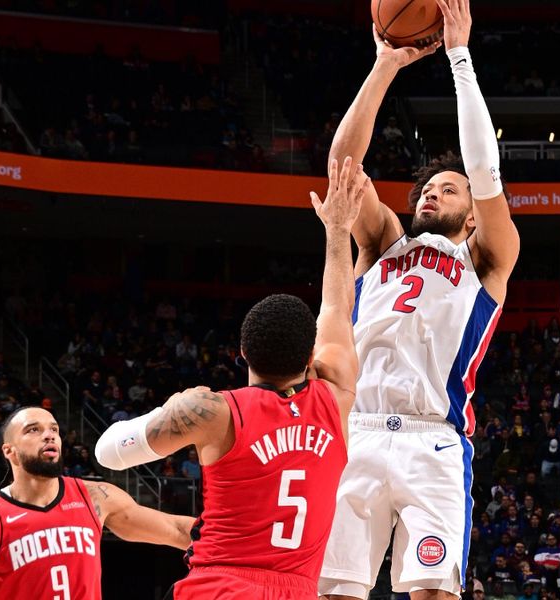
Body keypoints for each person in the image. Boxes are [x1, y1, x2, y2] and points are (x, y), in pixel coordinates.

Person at [318, 2, 520, 600]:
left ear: (470, 211)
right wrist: (384, 66)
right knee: (333, 592)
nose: (433, 193)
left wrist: (459, 58)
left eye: (447, 188)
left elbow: (485, 172)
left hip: (434, 439)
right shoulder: (383, 241)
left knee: (433, 594)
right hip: (355, 430)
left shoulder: (486, 258)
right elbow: (342, 168)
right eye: (427, 187)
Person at [95, 158, 367, 599]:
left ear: (241, 352)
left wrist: (172, 408)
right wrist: (338, 230)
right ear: (311, 357)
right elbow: (337, 309)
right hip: (297, 590)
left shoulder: (211, 411)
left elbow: (107, 453)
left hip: (218, 586)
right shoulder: (336, 399)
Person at [0, 406, 194, 599]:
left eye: (53, 429)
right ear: (9, 450)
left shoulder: (95, 496)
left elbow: (176, 529)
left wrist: (222, 531)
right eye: (33, 429)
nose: (49, 435)